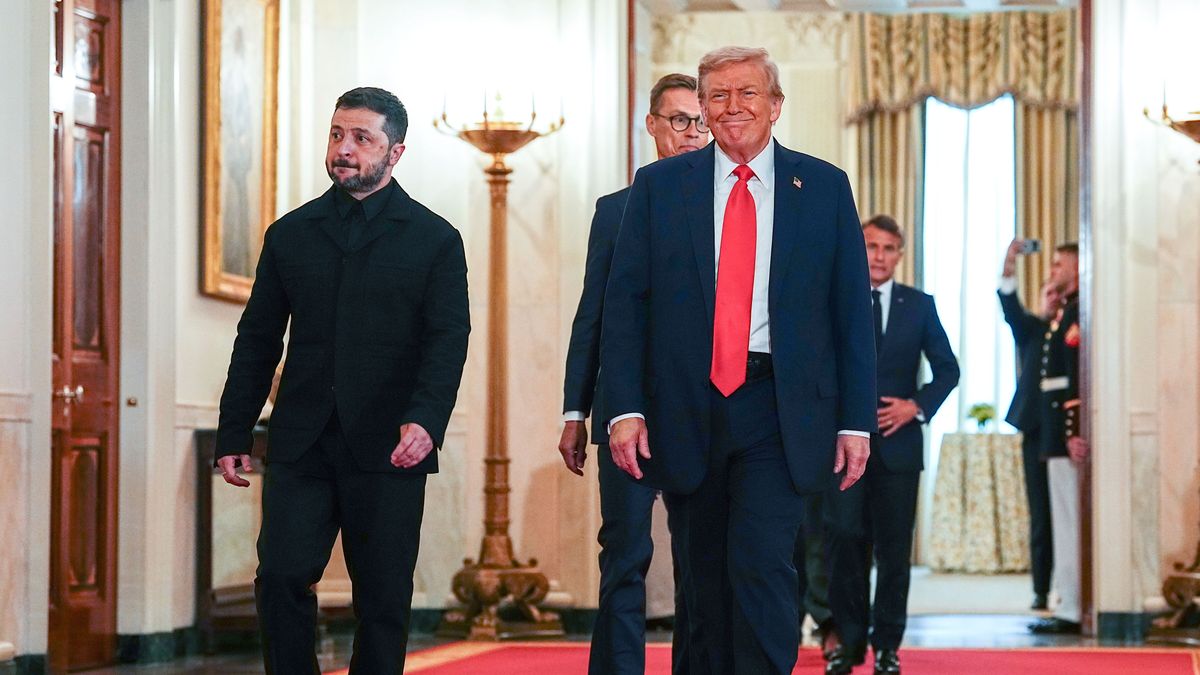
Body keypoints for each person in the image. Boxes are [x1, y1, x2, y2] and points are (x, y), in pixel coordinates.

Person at [602, 46, 877, 675]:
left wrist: (855, 422)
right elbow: (627, 308)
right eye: (717, 95)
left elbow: (850, 317)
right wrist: (623, 409)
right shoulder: (659, 188)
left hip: (778, 407)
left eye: (748, 93)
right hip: (686, 405)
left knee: (762, 566)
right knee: (701, 581)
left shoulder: (825, 186)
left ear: (776, 106)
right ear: (701, 106)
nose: (733, 107)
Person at [214, 87, 470, 674]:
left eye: (361, 138)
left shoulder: (435, 239)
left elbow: (446, 341)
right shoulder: (290, 234)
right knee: (279, 576)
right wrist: (233, 433)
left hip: (390, 445)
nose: (344, 149)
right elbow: (257, 339)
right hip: (302, 441)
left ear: (395, 152)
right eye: (336, 134)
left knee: (382, 599)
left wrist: (426, 421)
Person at [559, 72, 709, 675]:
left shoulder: (734, 204)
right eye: (679, 121)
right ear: (651, 126)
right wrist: (577, 410)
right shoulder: (615, 211)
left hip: (704, 411)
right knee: (624, 554)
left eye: (699, 122)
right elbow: (592, 314)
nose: (692, 134)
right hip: (627, 410)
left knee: (701, 559)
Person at [825, 215, 959, 675]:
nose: (878, 256)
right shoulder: (836, 300)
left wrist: (915, 406)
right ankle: (848, 642)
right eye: (869, 246)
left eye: (888, 248)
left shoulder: (919, 306)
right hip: (843, 447)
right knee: (844, 543)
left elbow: (948, 369)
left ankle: (888, 646)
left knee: (894, 551)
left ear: (900, 255)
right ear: (857, 250)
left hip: (899, 450)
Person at [999, 239, 1063, 611]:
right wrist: (1009, 265)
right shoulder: (1032, 331)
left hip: (1067, 433)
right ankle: (1040, 589)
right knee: (1041, 514)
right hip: (1035, 431)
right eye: (1048, 293)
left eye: (1059, 293)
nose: (1054, 298)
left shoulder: (1076, 330)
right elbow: (1009, 305)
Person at [1029, 242, 1085, 635]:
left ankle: (1072, 606)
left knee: (1068, 522)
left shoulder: (1081, 311)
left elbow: (1080, 377)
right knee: (1061, 520)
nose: (1051, 270)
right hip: (1054, 434)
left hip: (1066, 435)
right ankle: (1067, 602)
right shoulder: (1063, 312)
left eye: (1058, 264)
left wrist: (1075, 429)